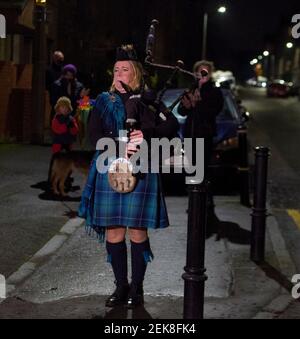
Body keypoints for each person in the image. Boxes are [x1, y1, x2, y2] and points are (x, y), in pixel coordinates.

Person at [78, 45, 178, 309]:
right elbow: (94, 136)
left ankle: (137, 289)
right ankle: (120, 286)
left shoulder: (147, 100)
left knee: (137, 230)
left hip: (141, 167)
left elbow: (171, 125)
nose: (119, 72)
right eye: (116, 69)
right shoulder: (103, 100)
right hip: (109, 167)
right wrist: (119, 144)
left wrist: (147, 136)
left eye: (125, 69)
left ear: (135, 73)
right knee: (113, 231)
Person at [178, 60, 224, 234]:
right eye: (199, 72)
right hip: (190, 134)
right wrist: (187, 105)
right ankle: (193, 202)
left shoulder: (214, 91)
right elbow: (183, 111)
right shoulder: (191, 89)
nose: (201, 75)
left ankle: (205, 202)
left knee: (202, 170)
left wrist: (199, 104)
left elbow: (214, 110)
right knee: (191, 169)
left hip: (204, 135)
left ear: (210, 74)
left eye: (205, 72)